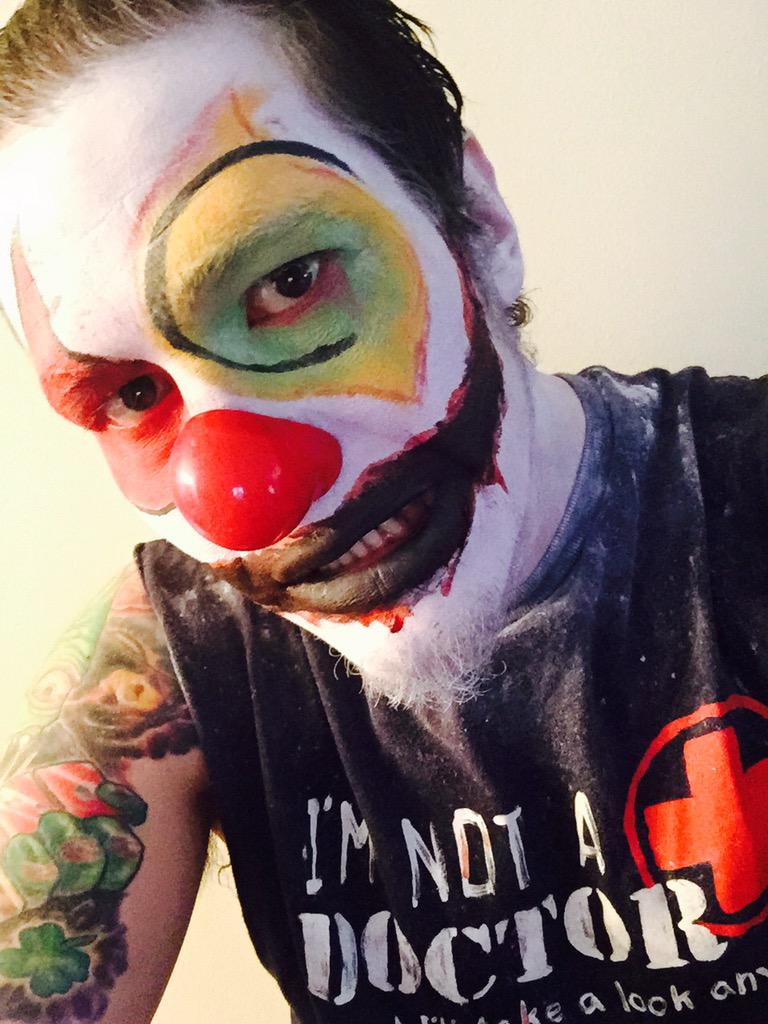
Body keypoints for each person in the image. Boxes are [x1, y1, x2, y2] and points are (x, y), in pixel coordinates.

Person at [0, 2, 766, 1022]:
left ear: (477, 221)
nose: (245, 498)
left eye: (290, 281)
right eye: (134, 395)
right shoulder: (164, 665)